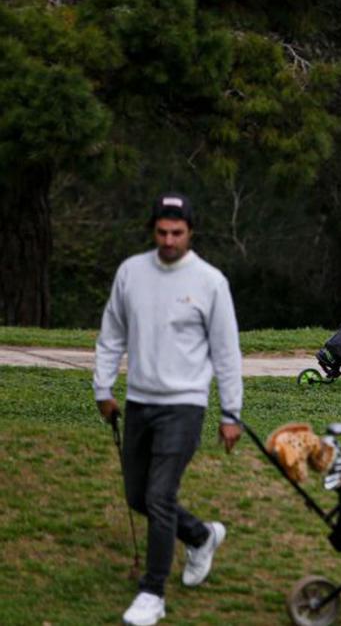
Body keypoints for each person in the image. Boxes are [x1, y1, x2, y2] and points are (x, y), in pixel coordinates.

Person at [93, 194, 244, 625]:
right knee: (137, 495)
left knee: (160, 495)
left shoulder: (210, 281)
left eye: (177, 233)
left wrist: (230, 413)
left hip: (185, 404)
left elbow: (227, 353)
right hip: (140, 400)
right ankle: (200, 536)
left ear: (190, 233)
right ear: (153, 230)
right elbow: (112, 334)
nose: (169, 240)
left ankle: (152, 594)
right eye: (162, 232)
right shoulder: (131, 273)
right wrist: (103, 387)